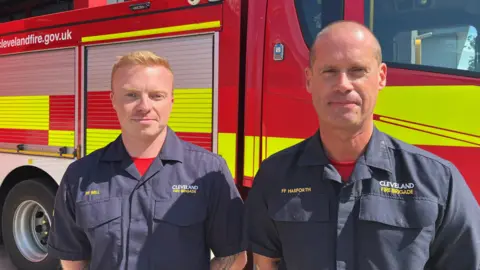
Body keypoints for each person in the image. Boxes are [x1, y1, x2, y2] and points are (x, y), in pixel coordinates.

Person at [245, 20, 480, 269]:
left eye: (357, 70)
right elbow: (264, 263)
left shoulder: (438, 181)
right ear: (309, 80)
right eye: (329, 71)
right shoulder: (274, 177)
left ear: (381, 77)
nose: (343, 84)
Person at [47, 51, 247, 270]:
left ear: (171, 101)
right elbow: (72, 259)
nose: (144, 106)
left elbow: (234, 255)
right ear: (113, 100)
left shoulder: (208, 172)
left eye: (156, 96)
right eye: (131, 95)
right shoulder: (80, 176)